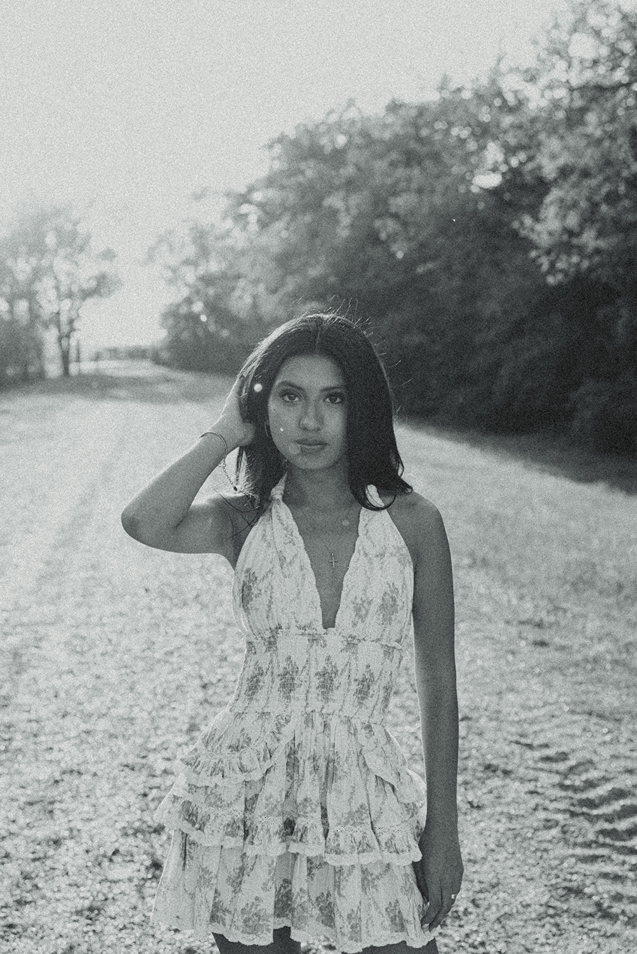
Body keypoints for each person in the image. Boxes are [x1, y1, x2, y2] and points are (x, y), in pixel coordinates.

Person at [121, 313, 463, 954]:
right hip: (249, 794)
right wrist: (224, 432)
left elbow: (438, 682)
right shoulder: (243, 520)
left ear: (362, 408)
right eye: (289, 396)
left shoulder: (415, 523)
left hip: (363, 793)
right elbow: (143, 521)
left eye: (333, 398)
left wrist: (443, 828)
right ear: (262, 406)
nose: (310, 421)